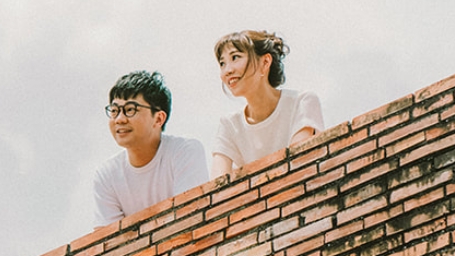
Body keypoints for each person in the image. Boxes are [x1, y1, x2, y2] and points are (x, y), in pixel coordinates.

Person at [94, 70, 209, 227]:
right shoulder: (107, 175)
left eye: (130, 109)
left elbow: (190, 218)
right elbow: (107, 244)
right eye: (114, 111)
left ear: (159, 118)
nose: (119, 119)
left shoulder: (185, 152)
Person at [211, 30, 324, 179]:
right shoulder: (229, 125)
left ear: (265, 62)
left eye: (235, 57)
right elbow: (216, 185)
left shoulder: (301, 102)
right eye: (222, 63)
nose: (227, 70)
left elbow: (298, 165)